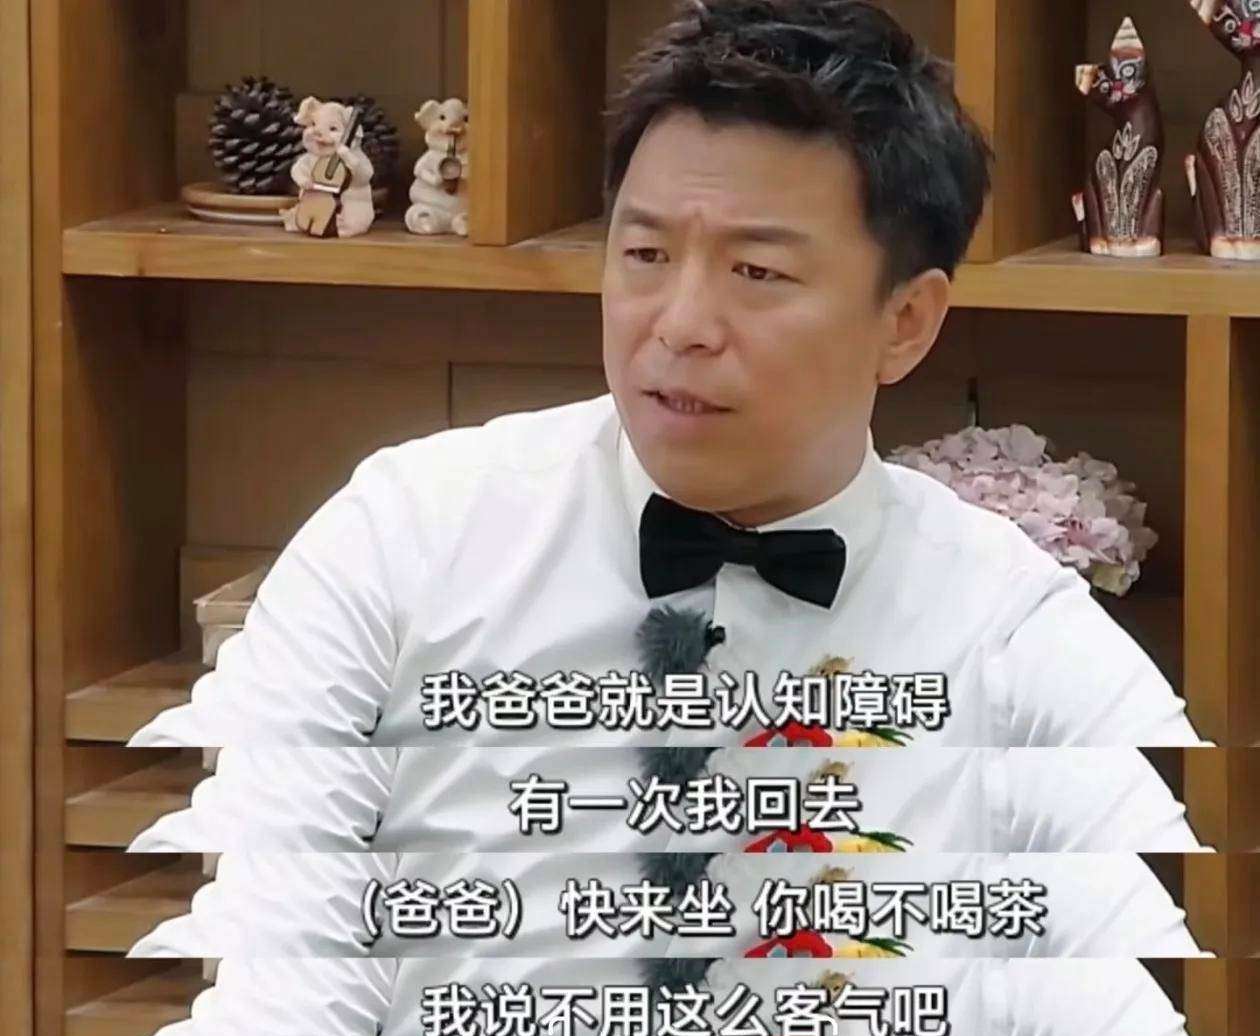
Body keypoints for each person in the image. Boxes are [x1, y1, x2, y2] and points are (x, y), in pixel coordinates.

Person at [127, 0, 1201, 762]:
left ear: (905, 322)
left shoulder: (1019, 643)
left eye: (758, 272)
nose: (680, 326)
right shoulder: (404, 540)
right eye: (643, 254)